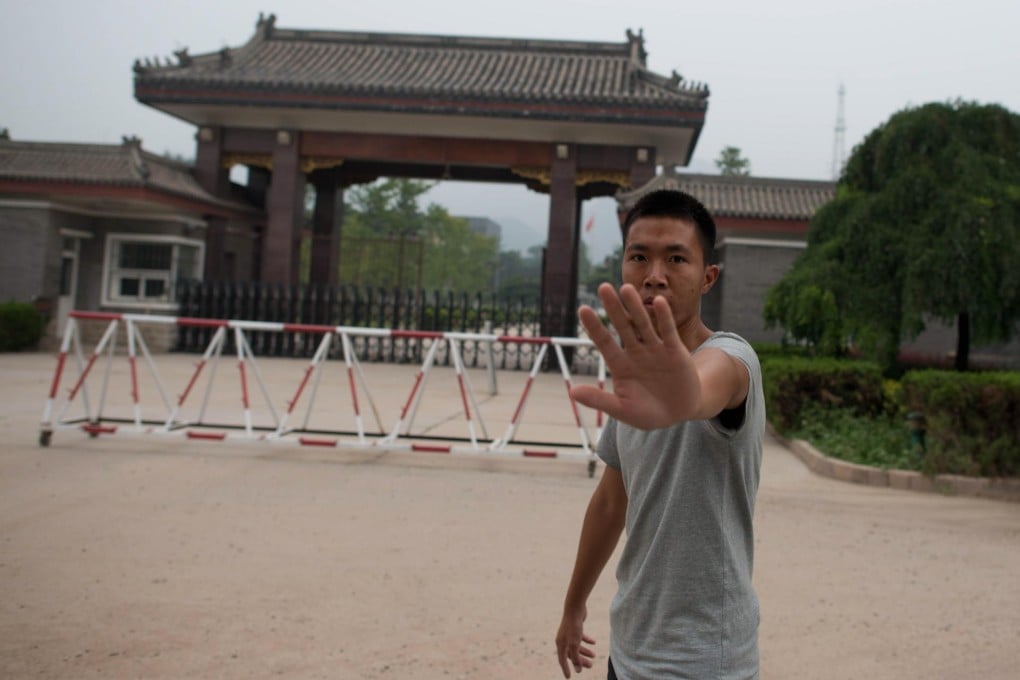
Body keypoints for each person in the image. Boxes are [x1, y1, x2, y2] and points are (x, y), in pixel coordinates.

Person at [555, 189, 765, 680]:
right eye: (639, 256)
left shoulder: (734, 359)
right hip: (628, 652)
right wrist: (574, 606)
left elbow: (705, 388)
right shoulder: (635, 381)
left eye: (676, 258)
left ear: (708, 277)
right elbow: (611, 502)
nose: (654, 275)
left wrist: (684, 399)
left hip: (705, 662)